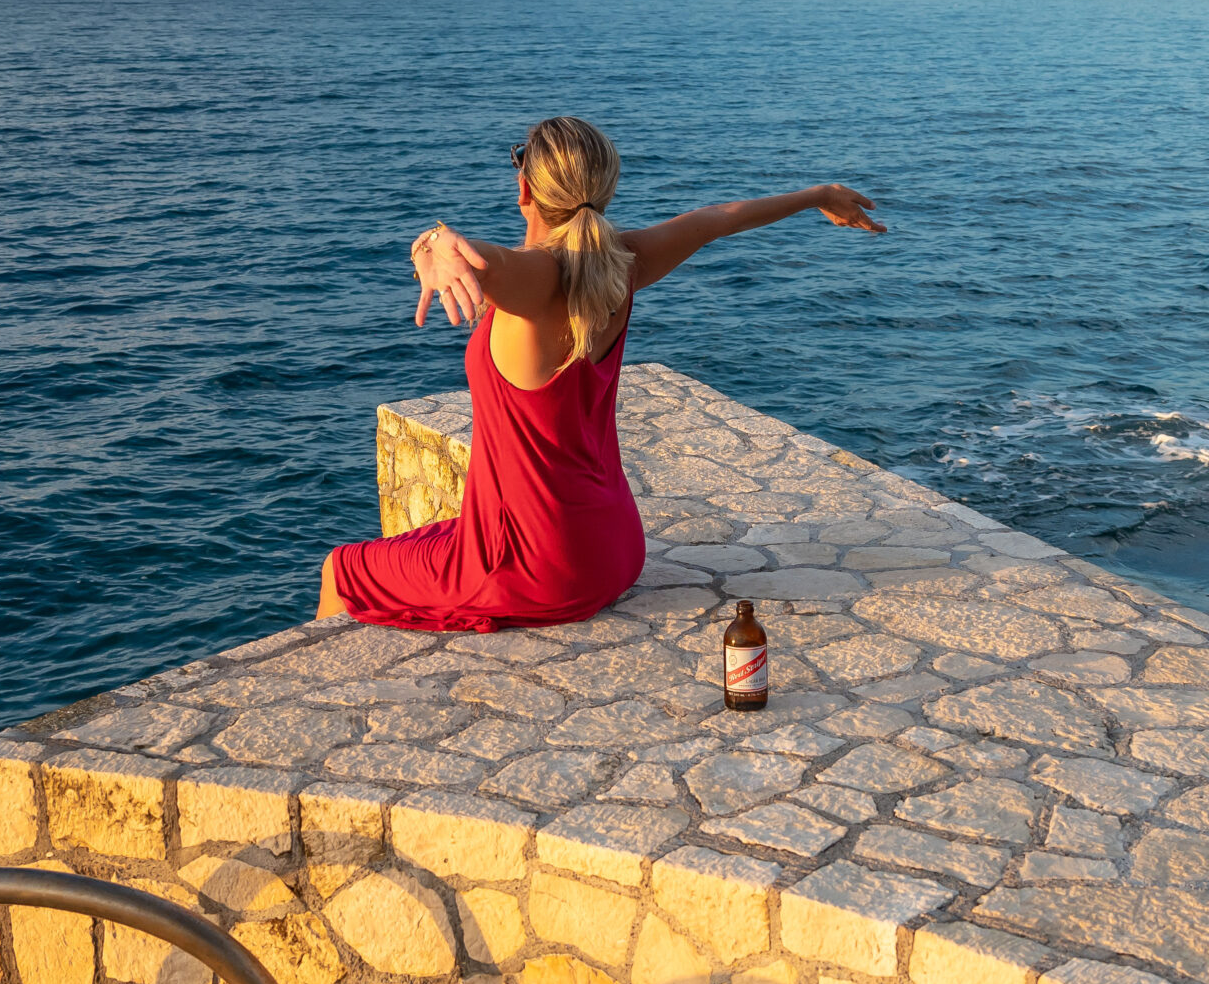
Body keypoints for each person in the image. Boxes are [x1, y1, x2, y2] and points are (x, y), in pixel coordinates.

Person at [318, 115, 885, 631]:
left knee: (341, 569)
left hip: (532, 567)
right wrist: (820, 194)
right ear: (604, 190)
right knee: (434, 533)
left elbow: (475, 258)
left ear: (524, 189)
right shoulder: (623, 264)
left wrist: (435, 242)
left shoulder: (539, 279)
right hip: (613, 550)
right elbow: (713, 221)